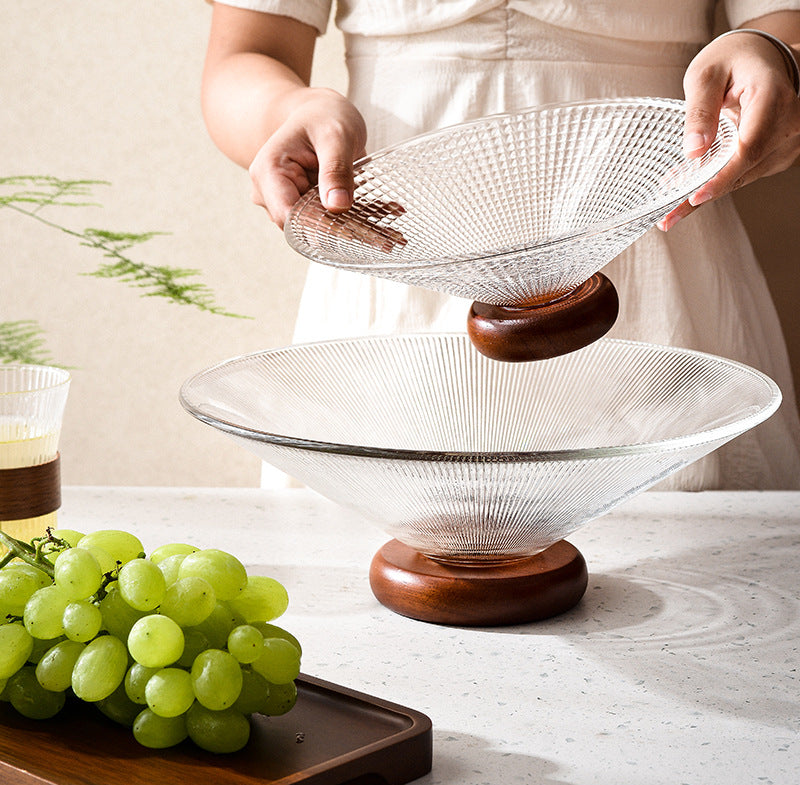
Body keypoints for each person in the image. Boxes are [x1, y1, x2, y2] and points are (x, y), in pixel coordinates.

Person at [201, 1, 800, 490]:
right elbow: (247, 55)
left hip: (654, 244)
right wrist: (292, 109)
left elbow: (784, 27)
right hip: (395, 246)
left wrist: (774, 57)